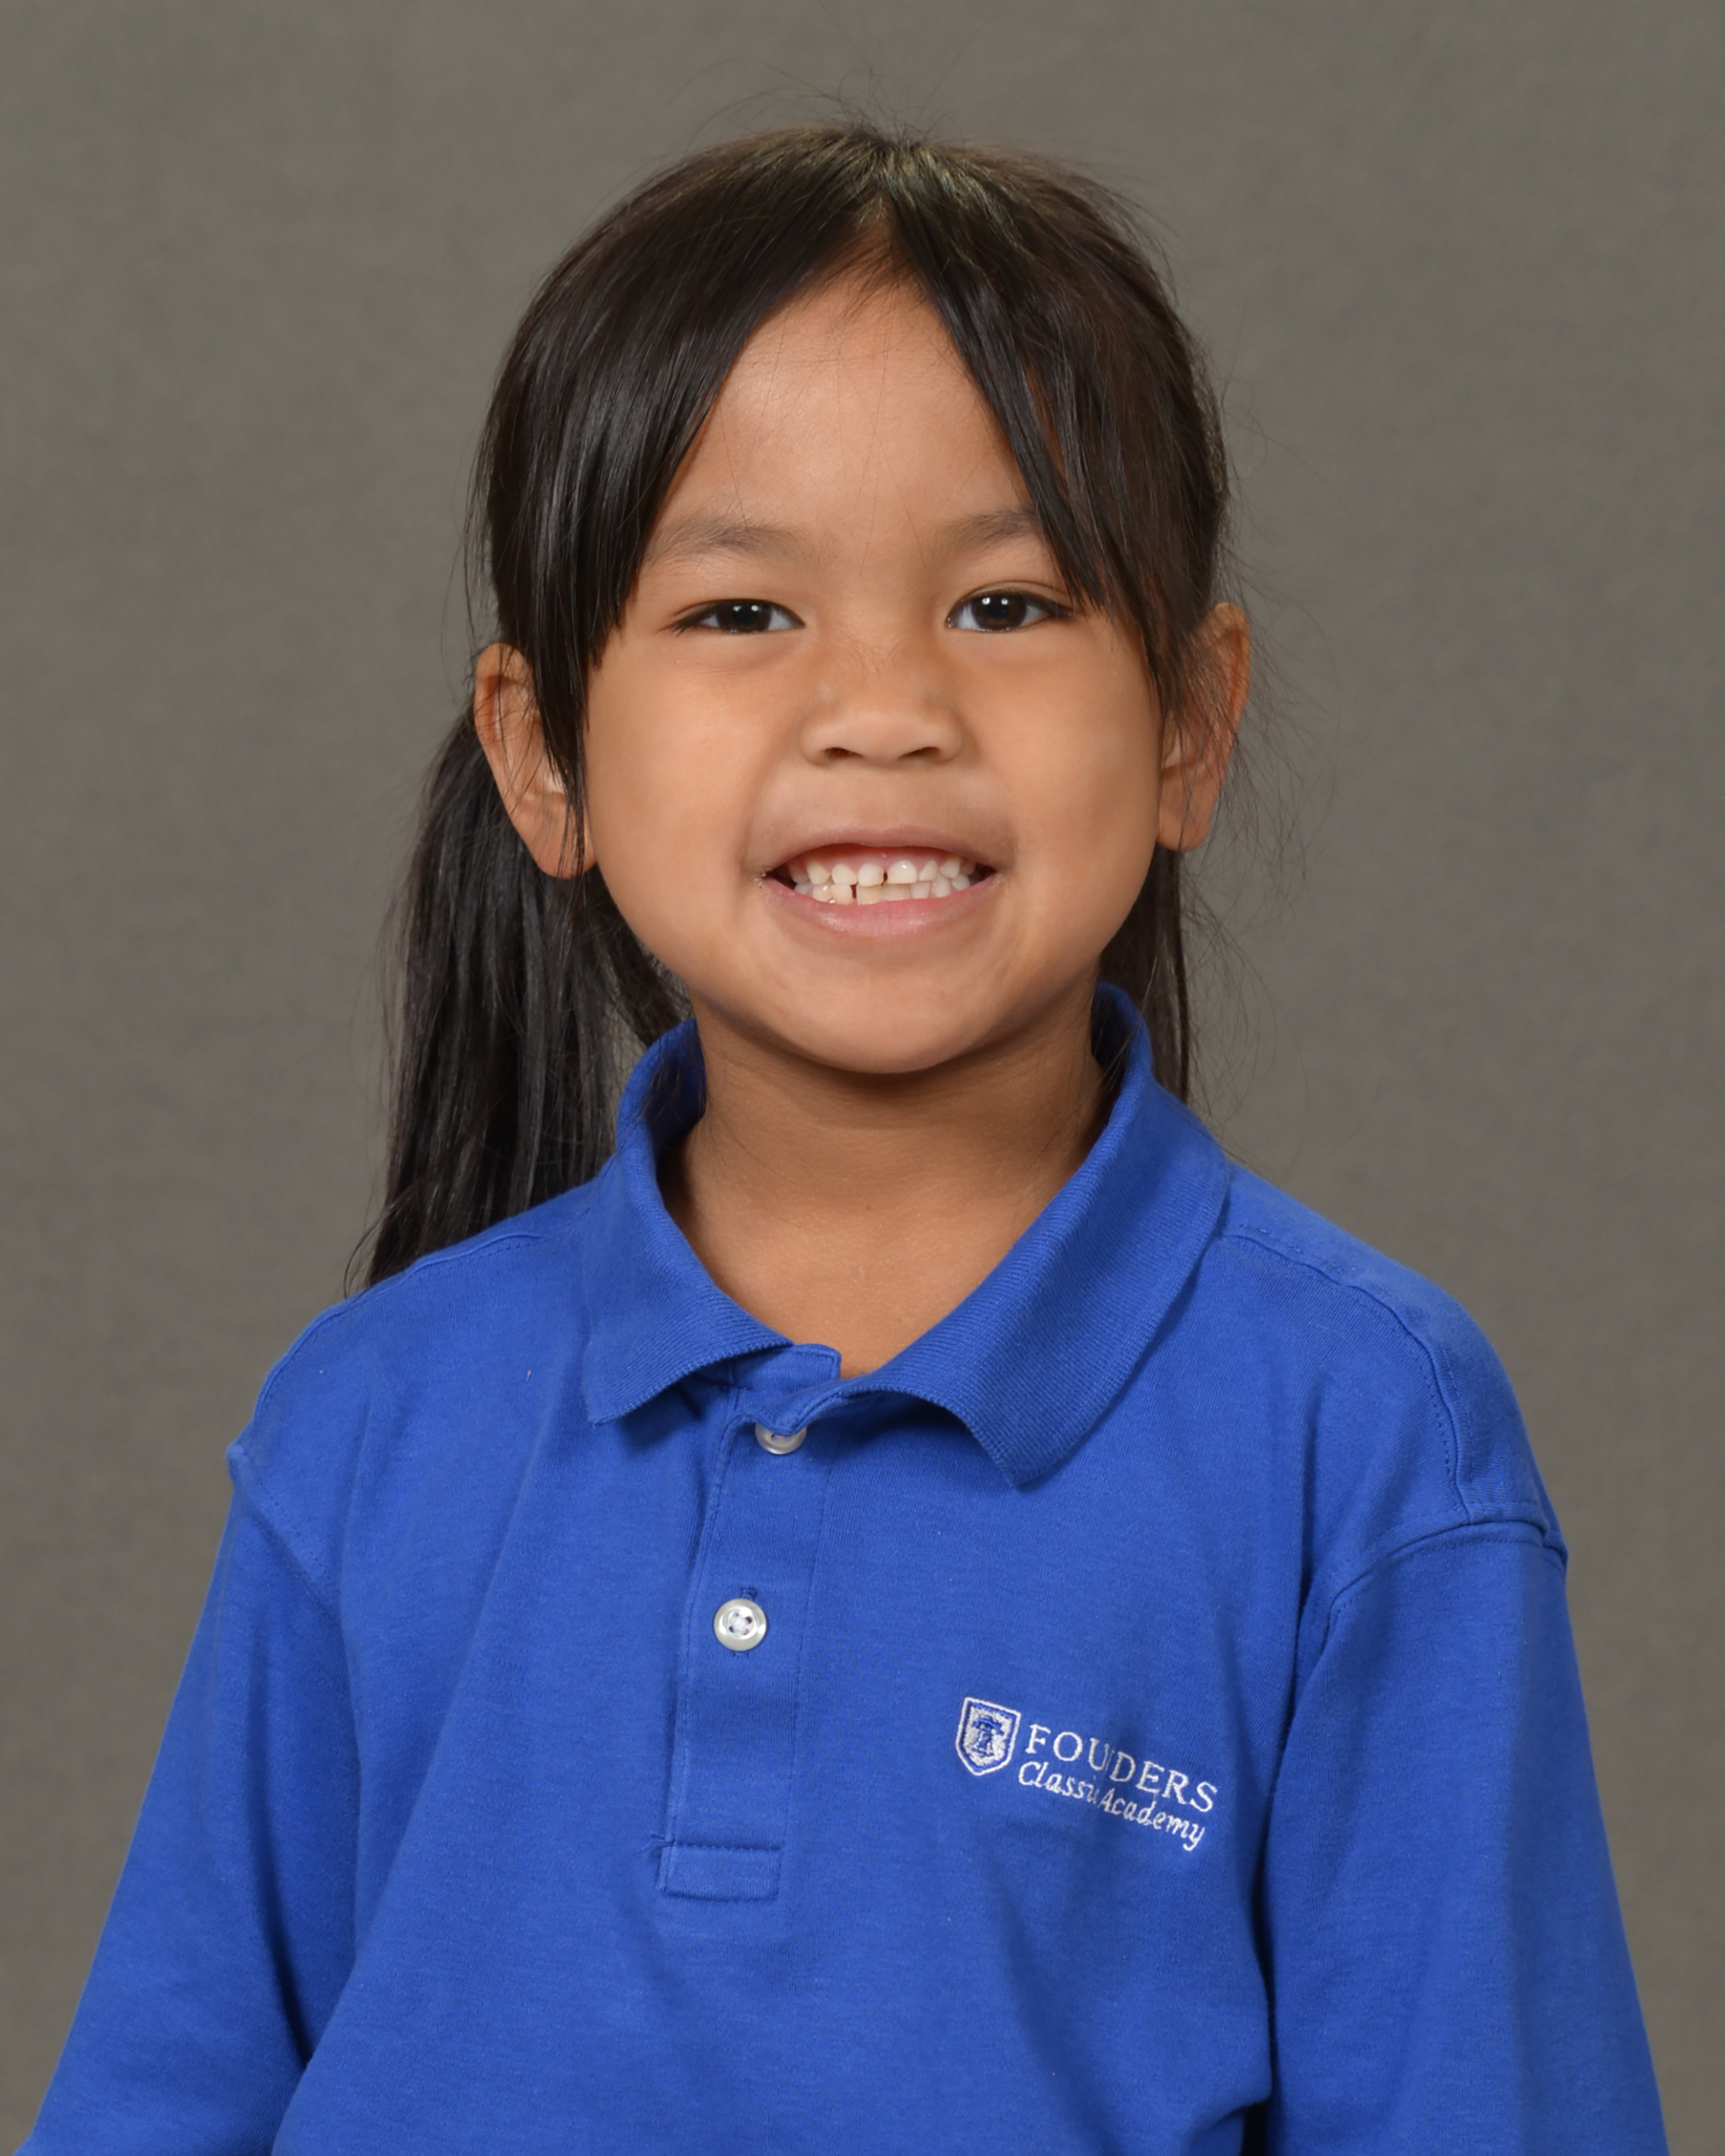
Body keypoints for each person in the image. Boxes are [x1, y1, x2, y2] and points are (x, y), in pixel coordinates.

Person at [22, 124, 1667, 2155]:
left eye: (1005, 600)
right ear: (544, 757)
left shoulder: (1361, 1435)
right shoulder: (369, 1419)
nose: (883, 709)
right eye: (741, 612)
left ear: (1189, 722)